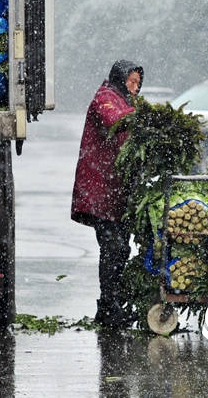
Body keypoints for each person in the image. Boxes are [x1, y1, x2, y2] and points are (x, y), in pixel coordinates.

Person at [70, 59, 144, 328]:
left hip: (117, 192)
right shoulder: (106, 97)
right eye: (131, 82)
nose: (134, 88)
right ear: (119, 78)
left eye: (138, 83)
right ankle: (110, 308)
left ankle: (110, 307)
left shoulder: (127, 102)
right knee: (114, 248)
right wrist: (142, 115)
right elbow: (114, 121)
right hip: (100, 189)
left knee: (120, 249)